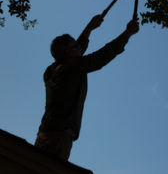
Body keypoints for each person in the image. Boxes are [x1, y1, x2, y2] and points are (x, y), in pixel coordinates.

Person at [35, 14, 139, 160]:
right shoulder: (71, 67)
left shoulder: (52, 70)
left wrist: (89, 28)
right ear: (68, 53)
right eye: (76, 46)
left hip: (46, 134)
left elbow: (77, 51)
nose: (79, 47)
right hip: (58, 137)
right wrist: (127, 34)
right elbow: (101, 56)